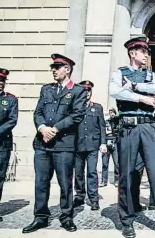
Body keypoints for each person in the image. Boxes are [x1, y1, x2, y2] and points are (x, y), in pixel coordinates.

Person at [109, 36, 155, 238]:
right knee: (128, 175)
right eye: (143, 51)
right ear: (133, 53)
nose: (146, 55)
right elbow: (115, 92)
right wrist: (142, 98)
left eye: (147, 52)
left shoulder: (151, 74)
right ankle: (127, 221)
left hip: (149, 127)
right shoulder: (119, 73)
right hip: (128, 128)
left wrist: (135, 87)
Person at [23, 54, 87, 233]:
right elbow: (38, 112)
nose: (54, 70)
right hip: (42, 143)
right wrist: (42, 127)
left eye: (57, 67)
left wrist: (55, 129)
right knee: (41, 182)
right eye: (53, 67)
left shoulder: (78, 91)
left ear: (67, 69)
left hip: (64, 144)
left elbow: (77, 115)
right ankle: (40, 217)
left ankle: (66, 216)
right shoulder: (46, 89)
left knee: (65, 183)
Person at [73, 80, 107, 211]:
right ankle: (80, 196)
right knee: (79, 173)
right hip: (77, 145)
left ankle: (93, 199)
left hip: (93, 145)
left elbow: (102, 126)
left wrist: (103, 143)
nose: (87, 93)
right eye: (84, 90)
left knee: (92, 172)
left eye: (89, 90)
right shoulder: (74, 107)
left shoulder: (97, 107)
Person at [0, 68, 18, 223]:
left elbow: (12, 120)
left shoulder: (11, 100)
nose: (0, 83)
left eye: (3, 81)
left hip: (1, 144)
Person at [101, 107, 120, 187]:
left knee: (116, 164)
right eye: (110, 112)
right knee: (105, 163)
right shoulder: (106, 122)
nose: (111, 114)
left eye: (113, 112)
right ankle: (104, 181)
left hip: (115, 143)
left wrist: (115, 117)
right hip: (107, 142)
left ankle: (117, 180)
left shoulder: (117, 121)